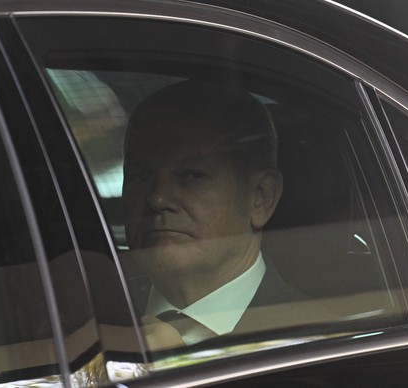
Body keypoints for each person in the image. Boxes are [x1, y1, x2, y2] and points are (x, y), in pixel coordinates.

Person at [122, 79, 323, 349]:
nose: (157, 198)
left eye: (191, 175)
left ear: (260, 197)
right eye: (141, 176)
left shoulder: (321, 341)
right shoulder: (85, 321)